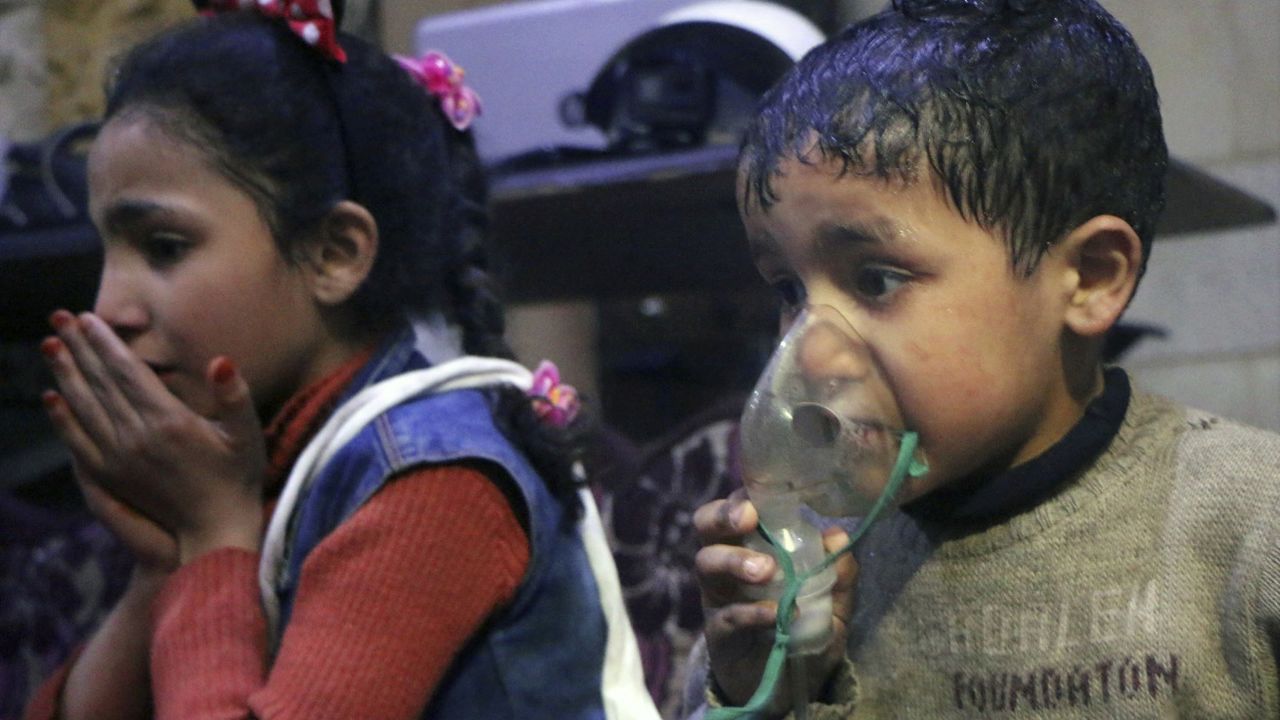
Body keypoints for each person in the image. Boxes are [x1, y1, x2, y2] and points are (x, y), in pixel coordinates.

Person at [22, 3, 655, 719]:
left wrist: (209, 539)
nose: (109, 309)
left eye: (164, 247)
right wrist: (162, 565)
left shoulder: (436, 479)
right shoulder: (253, 463)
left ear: (334, 253)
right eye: (106, 254)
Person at [688, 0, 1280, 718]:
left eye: (876, 279)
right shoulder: (804, 560)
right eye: (788, 290)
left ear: (1090, 278)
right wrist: (761, 687)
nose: (809, 350)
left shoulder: (1250, 531)